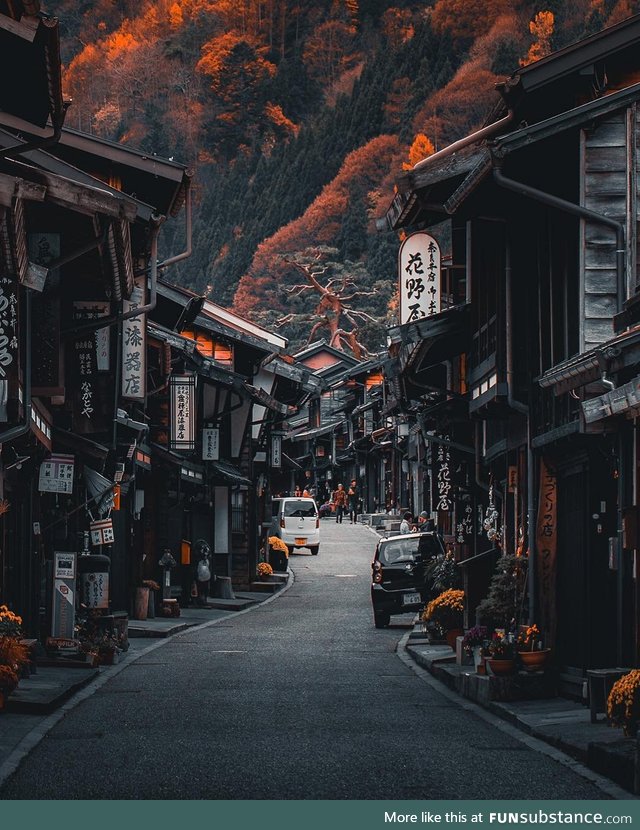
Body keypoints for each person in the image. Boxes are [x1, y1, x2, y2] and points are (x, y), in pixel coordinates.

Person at [194, 539, 212, 606]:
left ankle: (203, 599)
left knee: (204, 587)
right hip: (201, 571)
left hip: (205, 572)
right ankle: (200, 599)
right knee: (200, 587)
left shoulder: (206, 559)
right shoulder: (199, 558)